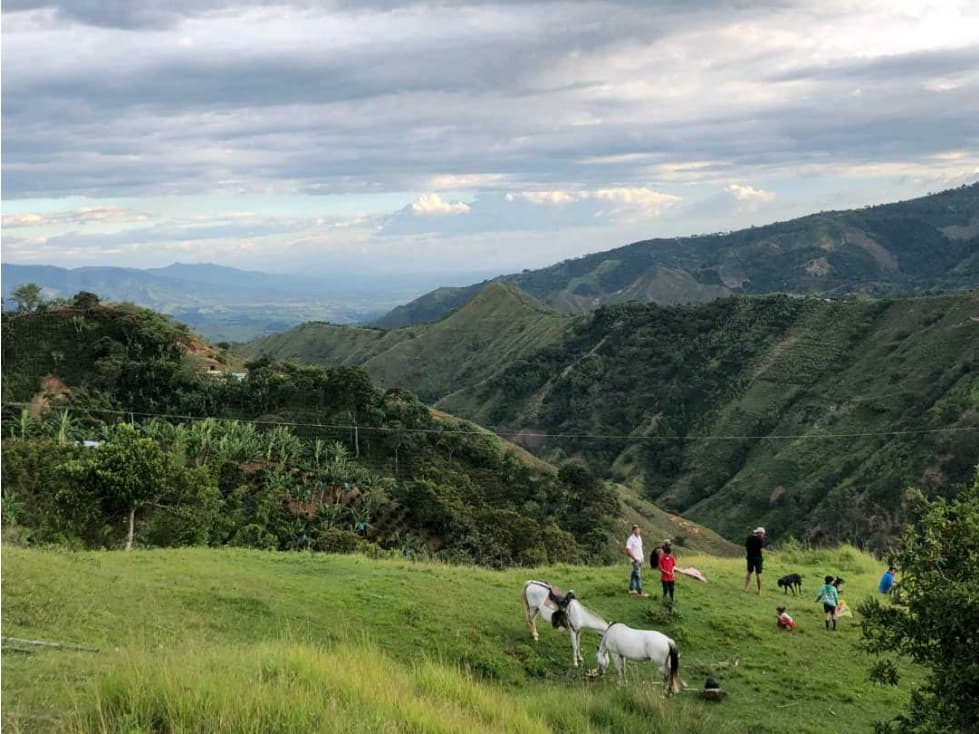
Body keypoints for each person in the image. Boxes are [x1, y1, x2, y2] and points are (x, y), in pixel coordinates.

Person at [625, 525, 648, 597]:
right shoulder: (631, 539)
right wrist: (635, 559)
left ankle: (631, 589)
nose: (637, 530)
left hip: (639, 559)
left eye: (638, 529)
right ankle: (639, 591)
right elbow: (627, 551)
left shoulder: (639, 537)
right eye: (635, 529)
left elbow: (639, 549)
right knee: (638, 575)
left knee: (634, 574)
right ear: (633, 530)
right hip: (635, 560)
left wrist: (641, 558)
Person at [744, 527, 766, 594]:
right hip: (758, 558)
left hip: (750, 557)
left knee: (749, 572)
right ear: (760, 533)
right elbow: (761, 550)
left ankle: (746, 588)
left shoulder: (749, 538)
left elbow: (746, 547)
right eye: (763, 534)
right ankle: (759, 591)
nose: (763, 535)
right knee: (758, 574)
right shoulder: (760, 540)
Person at [659, 541, 677, 606]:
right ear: (665, 553)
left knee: (672, 589)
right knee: (665, 590)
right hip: (665, 578)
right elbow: (660, 568)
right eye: (667, 554)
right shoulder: (662, 559)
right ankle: (664, 601)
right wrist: (666, 572)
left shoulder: (672, 558)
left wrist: (672, 570)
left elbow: (674, 565)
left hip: (671, 577)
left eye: (669, 554)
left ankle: (671, 600)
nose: (668, 555)